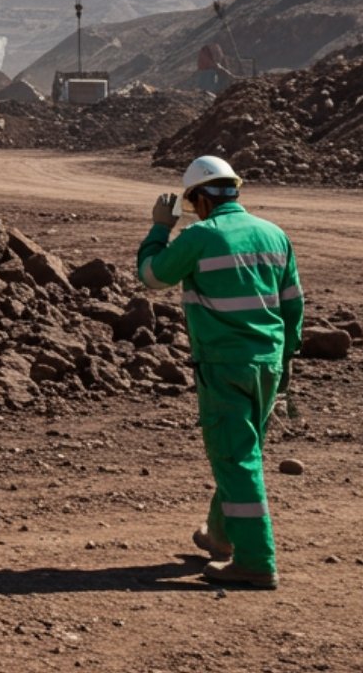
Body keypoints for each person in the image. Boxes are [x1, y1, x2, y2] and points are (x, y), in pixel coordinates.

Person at [136, 155, 303, 590]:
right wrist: (285, 361)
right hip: (268, 362)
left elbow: (152, 277)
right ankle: (221, 537)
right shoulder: (274, 235)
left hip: (224, 364)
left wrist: (160, 227)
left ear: (201, 199)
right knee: (242, 451)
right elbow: (292, 306)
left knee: (234, 457)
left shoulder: (200, 236)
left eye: (193, 205)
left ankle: (256, 561)